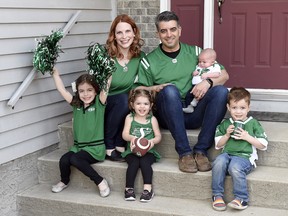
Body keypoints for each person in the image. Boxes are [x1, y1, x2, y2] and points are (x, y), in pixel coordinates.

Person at [135, 11, 229, 173]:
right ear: (158, 33)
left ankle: (201, 151)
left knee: (221, 92)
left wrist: (208, 82)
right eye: (163, 31)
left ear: (180, 30)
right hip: (168, 114)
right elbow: (138, 90)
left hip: (194, 112)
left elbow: (225, 75)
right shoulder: (149, 60)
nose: (169, 34)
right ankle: (185, 153)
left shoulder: (195, 53)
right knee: (169, 90)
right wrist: (155, 88)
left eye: (172, 29)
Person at [51, 68, 111, 198]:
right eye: (81, 91)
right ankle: (64, 181)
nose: (86, 94)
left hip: (95, 149)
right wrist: (55, 74)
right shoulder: (76, 105)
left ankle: (100, 181)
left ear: (96, 91)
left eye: (89, 90)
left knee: (75, 159)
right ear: (77, 92)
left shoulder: (99, 104)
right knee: (64, 160)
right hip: (79, 147)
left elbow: (106, 86)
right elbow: (62, 90)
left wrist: (109, 71)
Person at [212, 87, 268, 211]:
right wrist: (226, 135)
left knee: (235, 167)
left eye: (242, 108)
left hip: (245, 158)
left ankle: (241, 198)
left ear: (248, 107)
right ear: (228, 107)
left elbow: (263, 145)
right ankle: (217, 195)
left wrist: (247, 137)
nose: (238, 112)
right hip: (227, 155)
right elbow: (218, 145)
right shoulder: (226, 124)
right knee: (218, 162)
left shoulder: (253, 123)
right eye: (234, 108)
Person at [104, 14, 145, 162]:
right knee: (123, 98)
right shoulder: (106, 57)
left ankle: (120, 144)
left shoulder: (140, 57)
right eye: (119, 32)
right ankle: (109, 147)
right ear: (113, 36)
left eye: (127, 31)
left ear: (134, 33)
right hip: (105, 103)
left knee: (134, 98)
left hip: (126, 103)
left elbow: (142, 83)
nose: (124, 36)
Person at [121, 89, 161, 202]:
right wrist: (132, 138)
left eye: (146, 104)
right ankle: (129, 189)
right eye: (138, 103)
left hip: (149, 151)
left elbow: (158, 136)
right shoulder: (130, 118)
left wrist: (151, 142)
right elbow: (124, 134)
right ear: (132, 105)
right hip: (132, 150)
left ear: (151, 105)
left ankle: (147, 190)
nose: (142, 107)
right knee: (133, 162)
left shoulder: (152, 119)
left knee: (144, 162)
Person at [183, 48, 221, 113]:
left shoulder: (214, 67)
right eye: (200, 61)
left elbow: (217, 74)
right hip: (194, 86)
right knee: (189, 95)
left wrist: (207, 75)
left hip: (204, 88)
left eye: (204, 62)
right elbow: (195, 71)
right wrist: (194, 73)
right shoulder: (199, 66)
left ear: (212, 62)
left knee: (199, 96)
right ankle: (190, 106)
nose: (201, 63)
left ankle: (194, 106)